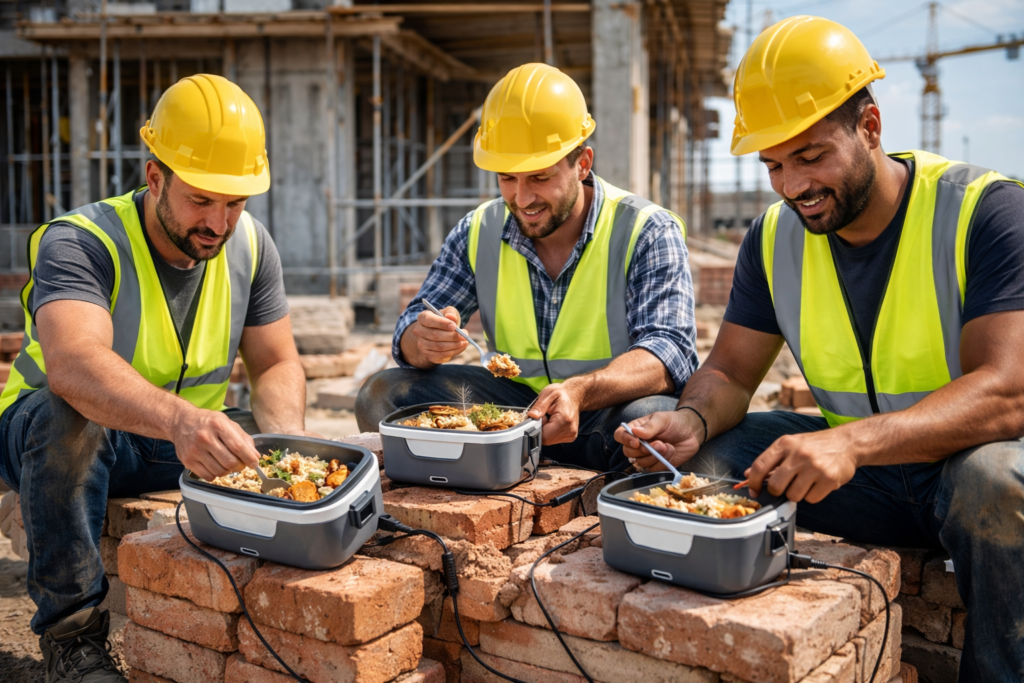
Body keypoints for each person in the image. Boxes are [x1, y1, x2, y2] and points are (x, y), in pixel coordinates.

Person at [616, 16, 1024, 681]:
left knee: (996, 479)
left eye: (810, 157)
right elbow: (730, 372)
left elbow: (1009, 392)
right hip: (864, 480)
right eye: (773, 164)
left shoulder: (985, 212)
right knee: (710, 457)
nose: (791, 185)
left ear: (871, 126)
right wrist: (691, 418)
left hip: (958, 474)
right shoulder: (773, 238)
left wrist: (852, 443)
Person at [0, 75, 308, 683]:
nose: (218, 222)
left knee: (265, 440)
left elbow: (276, 363)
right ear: (155, 177)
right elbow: (72, 366)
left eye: (235, 203)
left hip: (172, 445)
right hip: (55, 432)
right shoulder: (82, 241)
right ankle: (72, 639)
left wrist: (288, 453)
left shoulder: (250, 245)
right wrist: (181, 420)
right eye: (201, 200)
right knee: (68, 422)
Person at [356, 63, 697, 472]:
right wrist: (422, 341)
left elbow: (669, 352)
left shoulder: (645, 230)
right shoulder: (478, 230)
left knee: (654, 423)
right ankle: (486, 472)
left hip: (603, 410)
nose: (522, 198)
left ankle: (596, 489)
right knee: (383, 394)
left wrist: (580, 391)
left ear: (582, 163)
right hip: (509, 411)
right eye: (507, 178)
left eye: (539, 177)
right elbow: (412, 329)